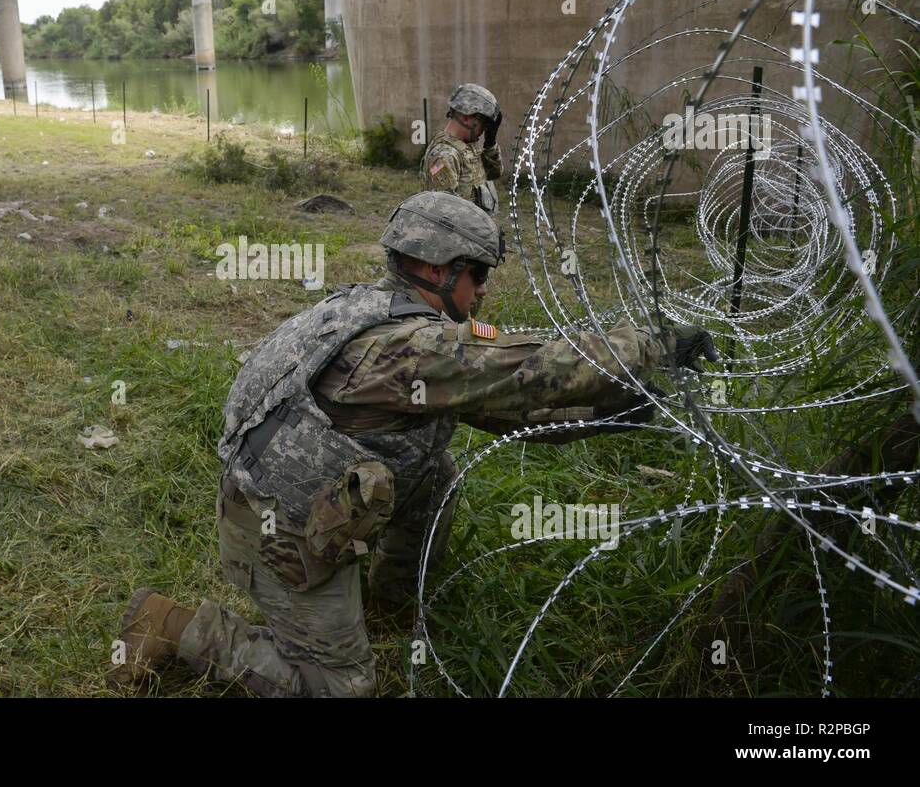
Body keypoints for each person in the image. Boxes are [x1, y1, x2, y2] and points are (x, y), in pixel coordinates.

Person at [115, 191, 718, 697]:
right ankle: (175, 627)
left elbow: (508, 409)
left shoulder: (383, 313)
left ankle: (389, 599)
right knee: (342, 687)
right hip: (280, 532)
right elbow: (536, 368)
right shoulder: (409, 349)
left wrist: (612, 414)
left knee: (437, 472)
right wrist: (658, 346)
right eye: (476, 274)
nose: (481, 292)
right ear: (437, 269)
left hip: (322, 496)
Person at [422, 83, 504, 216]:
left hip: (477, 230)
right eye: (483, 123)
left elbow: (494, 174)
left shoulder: (468, 146)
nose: (484, 130)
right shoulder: (444, 156)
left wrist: (490, 143)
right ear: (466, 118)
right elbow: (443, 212)